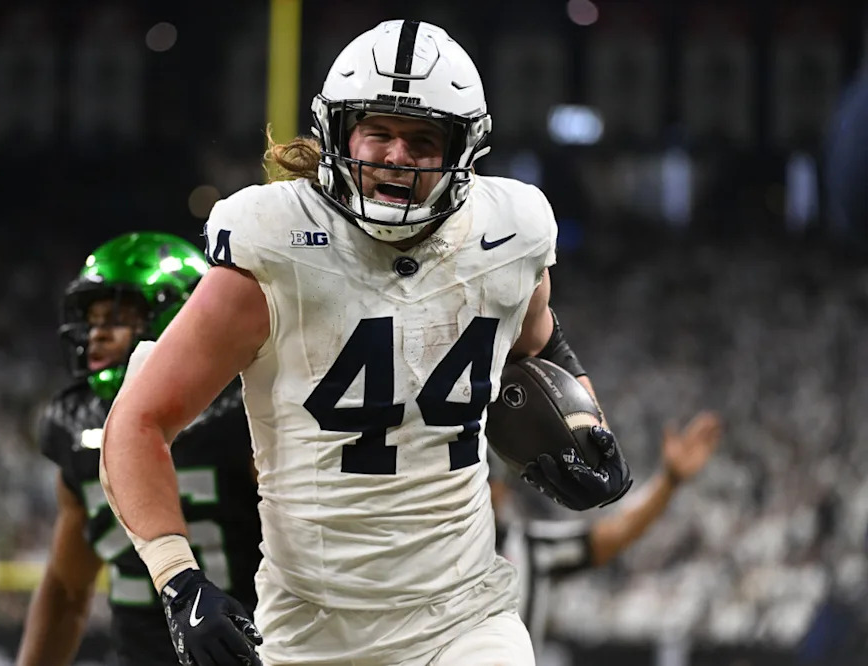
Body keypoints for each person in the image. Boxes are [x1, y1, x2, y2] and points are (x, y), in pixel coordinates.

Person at [99, 20, 632, 666]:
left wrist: (588, 429)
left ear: (463, 150)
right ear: (338, 133)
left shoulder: (506, 238)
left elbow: (541, 346)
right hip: (311, 635)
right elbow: (137, 421)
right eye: (378, 132)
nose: (396, 155)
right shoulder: (273, 249)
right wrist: (179, 581)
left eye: (422, 139)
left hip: (463, 620)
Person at [15, 233, 261, 666]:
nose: (96, 336)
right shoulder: (80, 427)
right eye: (92, 321)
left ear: (176, 318)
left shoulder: (244, 413)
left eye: (118, 317)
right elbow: (67, 589)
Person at [492, 411, 722, 659]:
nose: (480, 489)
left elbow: (616, 531)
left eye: (489, 478)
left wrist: (669, 482)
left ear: (503, 488)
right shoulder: (510, 549)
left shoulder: (527, 548)